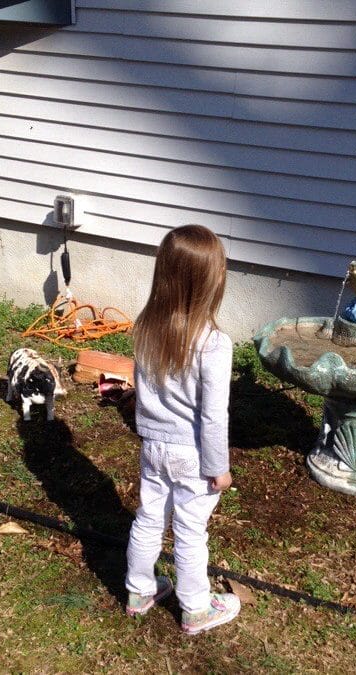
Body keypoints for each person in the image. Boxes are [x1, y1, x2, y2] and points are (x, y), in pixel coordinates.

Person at [124, 224, 240, 634]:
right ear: (212, 282)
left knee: (149, 517)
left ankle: (139, 590)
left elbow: (143, 390)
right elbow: (213, 415)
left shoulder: (145, 327)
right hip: (192, 454)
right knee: (191, 531)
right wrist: (218, 466)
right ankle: (195, 609)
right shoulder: (214, 343)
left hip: (153, 446)